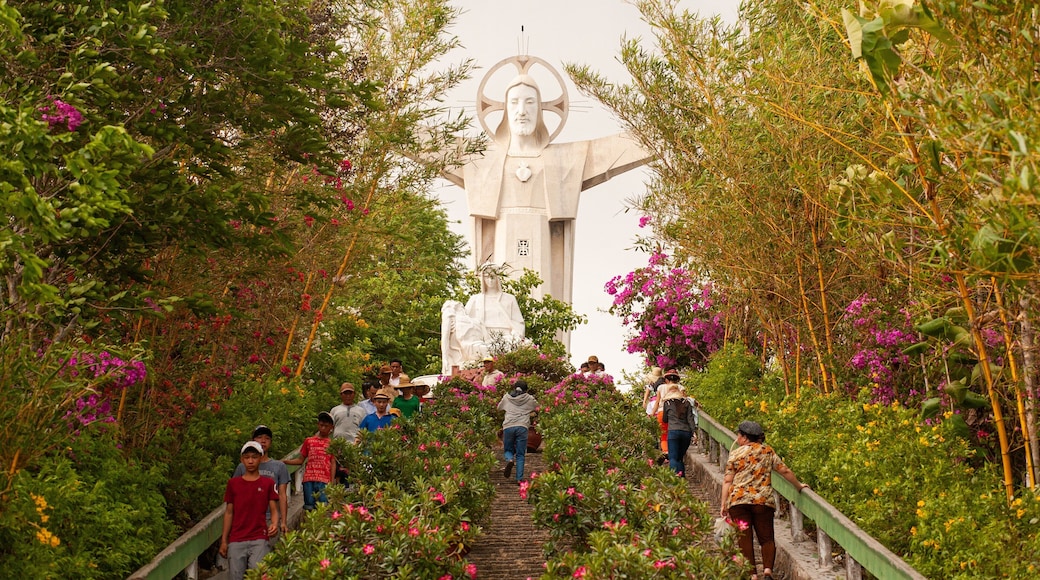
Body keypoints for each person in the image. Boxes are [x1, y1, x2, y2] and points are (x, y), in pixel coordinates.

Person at [440, 63, 651, 308]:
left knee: (542, 304)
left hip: (543, 248)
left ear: (540, 109)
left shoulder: (564, 159)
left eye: (530, 103)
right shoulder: (481, 158)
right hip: (501, 240)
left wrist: (668, 134)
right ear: (505, 110)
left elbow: (614, 150)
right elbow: (429, 144)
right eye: (515, 103)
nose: (522, 111)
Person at [721, 420, 809, 580]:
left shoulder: (735, 453)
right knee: (767, 537)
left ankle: (752, 575)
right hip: (762, 500)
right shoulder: (767, 451)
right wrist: (798, 486)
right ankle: (767, 570)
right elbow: (784, 470)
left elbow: (727, 481)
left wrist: (724, 504)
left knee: (744, 539)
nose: (738, 438)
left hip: (738, 501)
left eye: (739, 435)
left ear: (745, 437)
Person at [220, 441, 279, 580]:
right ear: (242, 460)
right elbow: (229, 512)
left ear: (261, 458)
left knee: (257, 575)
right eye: (247, 457)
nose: (250, 461)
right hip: (236, 538)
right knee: (235, 576)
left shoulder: (268, 483)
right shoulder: (233, 484)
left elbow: (274, 510)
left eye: (254, 457)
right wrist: (224, 540)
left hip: (259, 537)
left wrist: (275, 524)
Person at [230, 425, 289, 539]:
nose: (263, 441)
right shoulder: (242, 467)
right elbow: (234, 495)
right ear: (253, 441)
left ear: (270, 442)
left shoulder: (279, 466)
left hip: (270, 519)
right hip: (246, 520)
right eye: (259, 437)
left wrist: (283, 522)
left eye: (267, 438)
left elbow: (282, 495)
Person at [283, 412, 336, 511]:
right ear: (318, 425)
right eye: (321, 425)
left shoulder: (332, 444)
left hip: (324, 479)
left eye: (326, 426)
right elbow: (300, 460)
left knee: (323, 507)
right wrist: (286, 462)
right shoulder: (309, 441)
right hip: (309, 479)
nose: (323, 428)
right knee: (309, 507)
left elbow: (333, 463)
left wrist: (331, 481)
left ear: (331, 427)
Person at [464, 266, 525, 343]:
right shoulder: (475, 299)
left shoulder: (509, 299)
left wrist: (515, 336)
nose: (490, 280)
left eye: (492, 277)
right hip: (482, 337)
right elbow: (465, 320)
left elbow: (518, 322)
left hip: (506, 338)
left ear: (497, 278)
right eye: (487, 277)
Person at [497, 380, 538, 484]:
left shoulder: (507, 397)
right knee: (520, 454)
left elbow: (499, 408)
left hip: (508, 426)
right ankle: (519, 479)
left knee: (508, 449)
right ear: (526, 389)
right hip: (522, 426)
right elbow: (537, 407)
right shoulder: (529, 398)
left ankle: (510, 459)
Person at [330, 383, 368, 484]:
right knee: (338, 473)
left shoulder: (361, 411)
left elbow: (364, 429)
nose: (348, 396)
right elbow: (330, 428)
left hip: (355, 447)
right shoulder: (335, 410)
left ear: (354, 394)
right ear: (341, 395)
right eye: (345, 393)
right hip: (338, 447)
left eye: (350, 393)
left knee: (353, 473)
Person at [660, 383, 697, 477]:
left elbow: (665, 419)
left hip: (673, 431)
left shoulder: (667, 403)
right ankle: (682, 476)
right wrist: (694, 432)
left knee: (673, 457)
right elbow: (690, 419)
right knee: (680, 457)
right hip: (686, 432)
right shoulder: (686, 403)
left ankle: (674, 478)